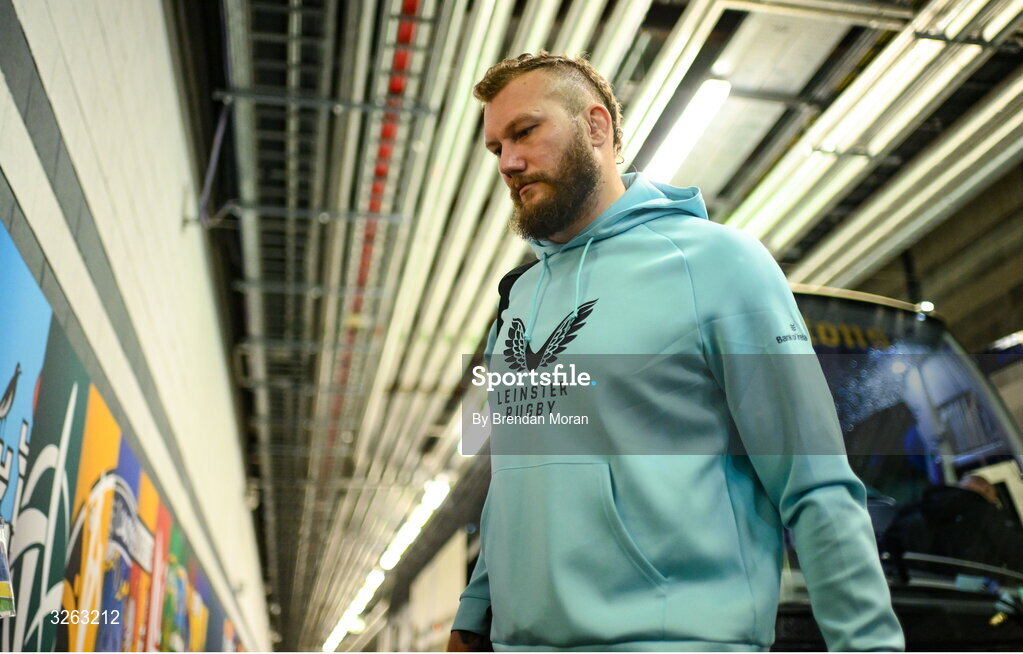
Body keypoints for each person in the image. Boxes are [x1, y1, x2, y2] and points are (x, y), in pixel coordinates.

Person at [448, 51, 904, 652]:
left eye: (525, 132)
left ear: (595, 127)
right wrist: (471, 620)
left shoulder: (720, 263)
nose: (508, 162)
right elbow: (512, 483)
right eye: (496, 147)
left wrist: (868, 646)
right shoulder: (515, 302)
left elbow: (814, 482)